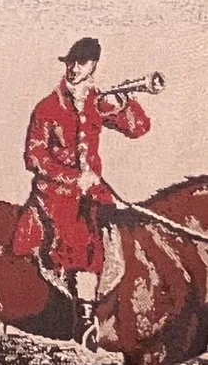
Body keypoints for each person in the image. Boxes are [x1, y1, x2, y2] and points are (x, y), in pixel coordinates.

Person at [11, 38, 158, 328]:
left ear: (93, 66)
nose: (74, 68)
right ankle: (83, 317)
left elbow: (139, 129)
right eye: (71, 62)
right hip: (55, 193)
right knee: (78, 237)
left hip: (93, 190)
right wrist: (75, 178)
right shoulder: (47, 108)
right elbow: (34, 158)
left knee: (117, 231)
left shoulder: (97, 101)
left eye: (82, 63)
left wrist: (125, 102)